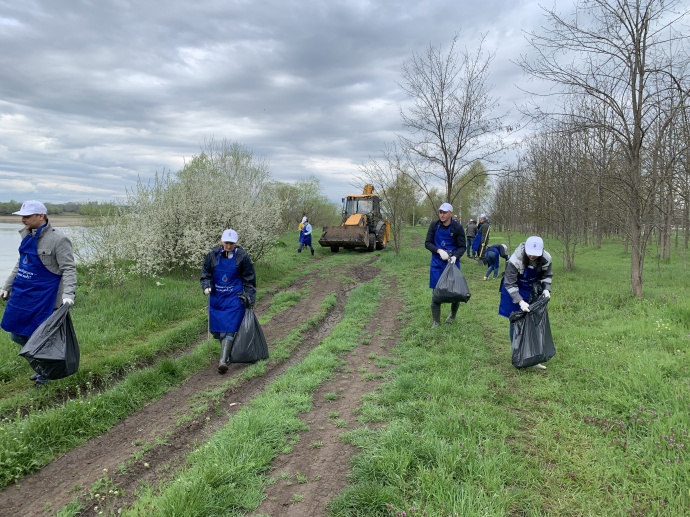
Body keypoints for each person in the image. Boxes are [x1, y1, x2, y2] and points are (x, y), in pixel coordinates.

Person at [0, 200, 77, 387]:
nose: (22, 220)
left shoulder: (58, 239)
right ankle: (43, 367)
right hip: (25, 295)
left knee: (42, 337)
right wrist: (6, 285)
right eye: (22, 216)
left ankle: (45, 374)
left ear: (40, 216)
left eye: (26, 216)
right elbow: (21, 264)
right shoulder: (26, 236)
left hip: (46, 299)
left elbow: (68, 268)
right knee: (16, 334)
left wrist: (68, 294)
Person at [200, 229, 257, 374]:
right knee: (219, 332)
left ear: (236, 243)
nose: (228, 246)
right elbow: (205, 274)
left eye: (231, 243)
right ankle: (227, 354)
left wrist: (249, 296)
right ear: (222, 241)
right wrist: (206, 286)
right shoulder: (212, 255)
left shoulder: (242, 257)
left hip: (234, 297)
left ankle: (223, 361)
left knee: (230, 327)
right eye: (226, 243)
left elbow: (249, 278)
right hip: (217, 298)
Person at [498, 236, 552, 370]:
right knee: (516, 321)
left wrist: (546, 290)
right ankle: (518, 353)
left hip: (532, 290)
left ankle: (533, 356)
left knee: (533, 322)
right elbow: (510, 283)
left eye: (536, 254)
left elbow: (547, 276)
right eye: (530, 253)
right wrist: (521, 302)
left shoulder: (546, 258)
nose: (532, 256)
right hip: (513, 290)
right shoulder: (515, 259)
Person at [425, 202, 467, 328]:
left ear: (451, 213)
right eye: (440, 212)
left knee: (455, 293)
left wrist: (455, 256)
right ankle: (436, 321)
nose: (442, 215)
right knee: (436, 293)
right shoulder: (434, 225)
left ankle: (452, 315)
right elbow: (427, 243)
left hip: (452, 264)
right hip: (437, 264)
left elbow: (462, 247)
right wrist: (438, 250)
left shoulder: (457, 228)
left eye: (444, 212)